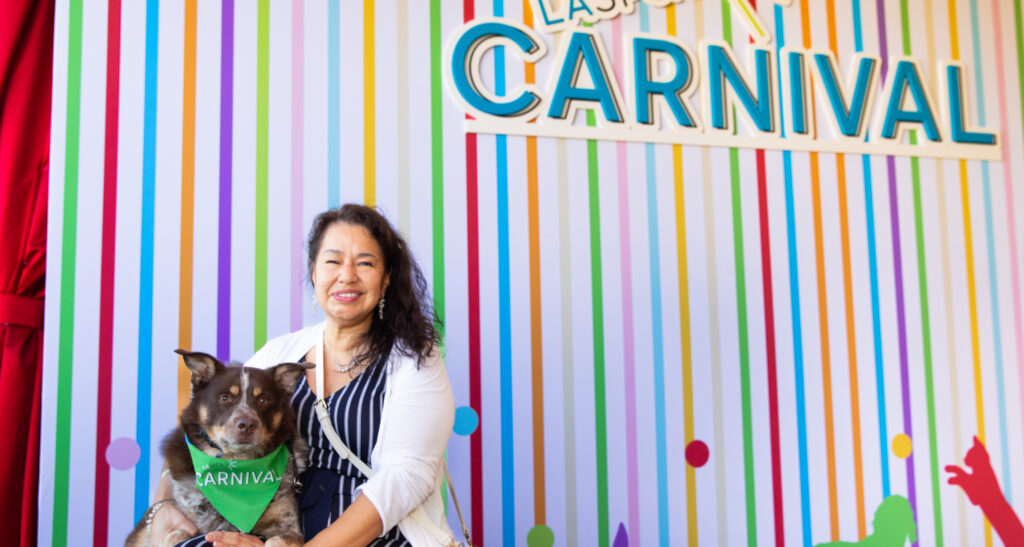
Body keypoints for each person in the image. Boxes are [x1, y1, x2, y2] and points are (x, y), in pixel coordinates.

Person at [150, 204, 456, 547]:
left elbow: (406, 478)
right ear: (314, 271)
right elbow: (199, 433)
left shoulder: (414, 362)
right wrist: (162, 505)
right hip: (269, 530)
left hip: (373, 536)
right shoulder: (282, 353)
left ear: (385, 280)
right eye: (333, 260)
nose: (347, 275)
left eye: (365, 263)